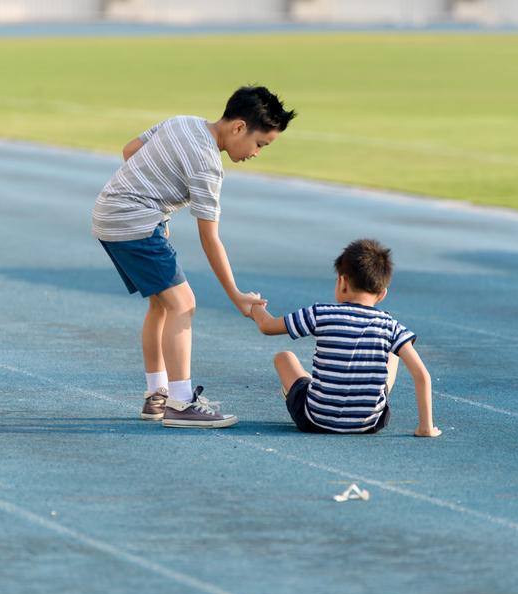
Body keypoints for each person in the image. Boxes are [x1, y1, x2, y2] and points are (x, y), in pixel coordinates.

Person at [93, 86, 296, 428]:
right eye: (260, 144)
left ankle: (156, 394)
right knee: (183, 305)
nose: (257, 153)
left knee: (161, 304)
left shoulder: (182, 122)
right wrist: (236, 295)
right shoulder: (208, 166)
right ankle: (181, 401)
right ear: (238, 128)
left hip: (108, 213)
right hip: (132, 221)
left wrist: (157, 206)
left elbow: (130, 151)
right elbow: (209, 238)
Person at [249, 239, 441, 436]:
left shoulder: (321, 313)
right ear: (382, 294)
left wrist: (256, 306)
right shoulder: (390, 326)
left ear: (342, 282)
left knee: (284, 357)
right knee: (394, 353)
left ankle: (303, 389)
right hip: (368, 423)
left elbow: (267, 326)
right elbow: (422, 375)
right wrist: (425, 427)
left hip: (315, 418)